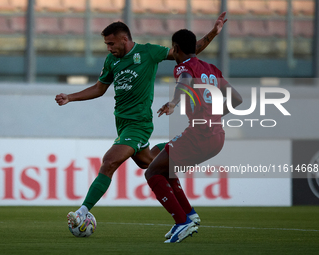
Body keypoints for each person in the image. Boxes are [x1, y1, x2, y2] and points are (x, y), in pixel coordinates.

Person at [55, 13, 228, 232]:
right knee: (154, 165)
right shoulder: (111, 61)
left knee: (109, 161)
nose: (108, 48)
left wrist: (213, 32)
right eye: (106, 44)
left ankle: (82, 212)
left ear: (124, 39)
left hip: (139, 124)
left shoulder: (148, 52)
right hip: (123, 125)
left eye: (111, 43)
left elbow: (186, 53)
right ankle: (189, 213)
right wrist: (70, 97)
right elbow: (99, 88)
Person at [145, 29, 243, 243]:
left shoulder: (183, 67)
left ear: (176, 48)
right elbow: (237, 99)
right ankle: (189, 214)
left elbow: (185, 80)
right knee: (166, 168)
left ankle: (183, 222)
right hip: (217, 136)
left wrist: (173, 102)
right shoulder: (212, 69)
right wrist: (214, 114)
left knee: (152, 172)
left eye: (172, 47)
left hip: (200, 135)